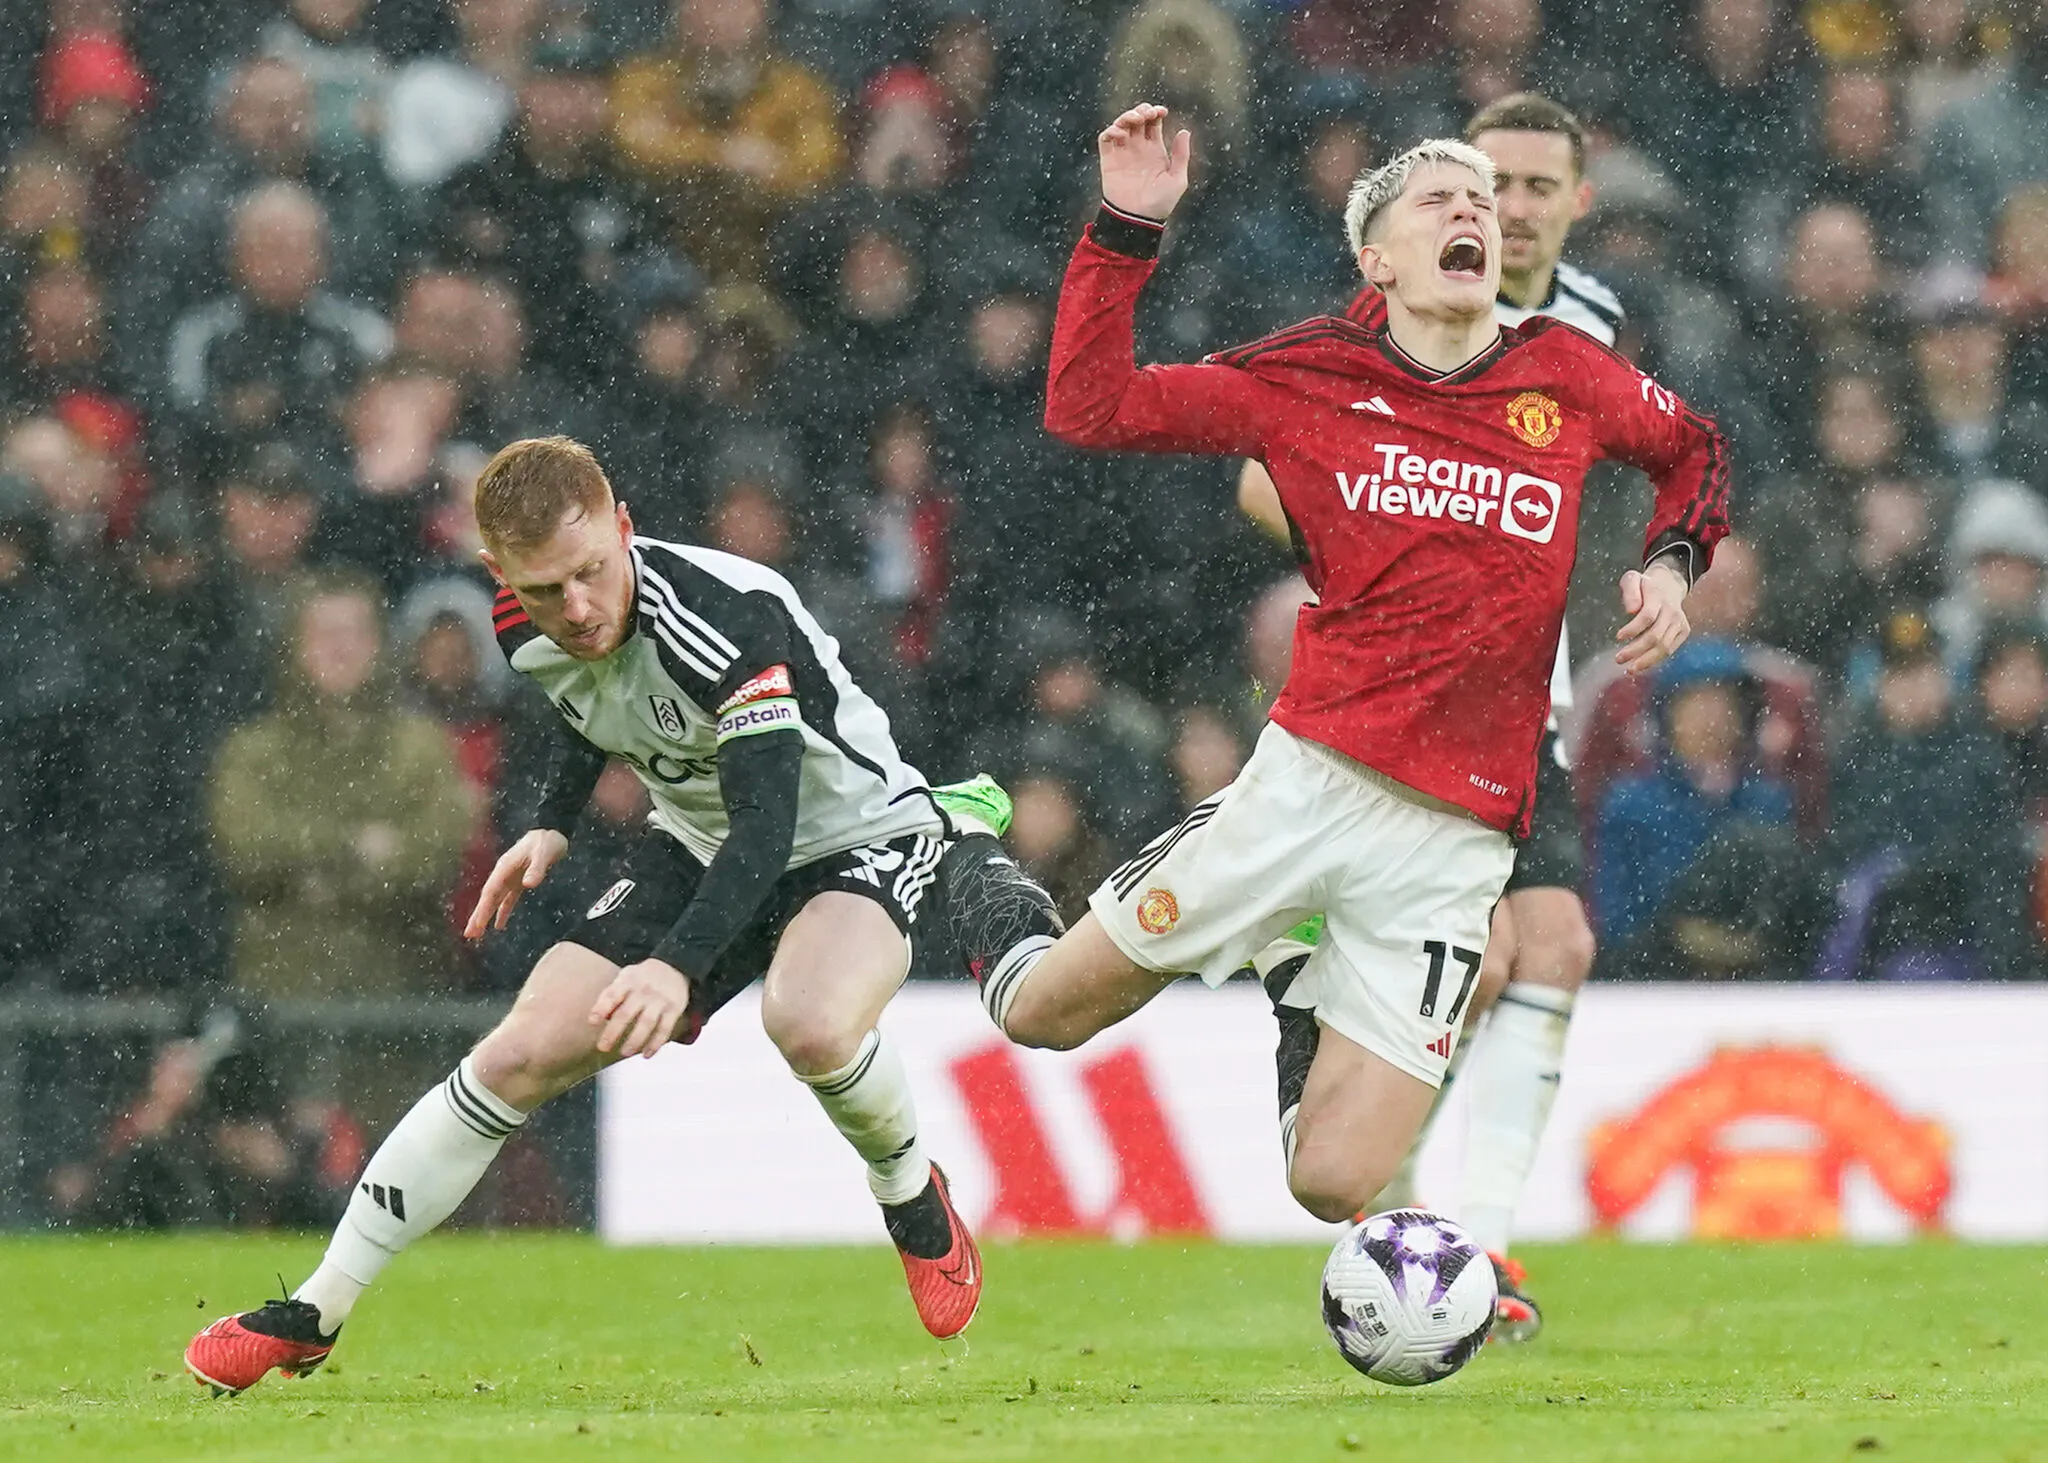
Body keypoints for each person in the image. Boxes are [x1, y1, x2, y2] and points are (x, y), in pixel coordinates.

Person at [938, 105, 1723, 1314]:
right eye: (1438, 201)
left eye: (1483, 198)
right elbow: (1088, 406)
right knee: (1040, 1014)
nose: (1474, 211)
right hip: (1308, 784)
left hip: (1461, 838)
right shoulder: (1309, 372)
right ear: (1378, 262)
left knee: (1334, 1179)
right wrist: (1123, 232)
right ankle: (974, 868)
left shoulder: (1562, 376)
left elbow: (1695, 450)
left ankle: (1295, 975)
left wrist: (1670, 563)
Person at [186, 436, 1026, 1395]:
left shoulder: (725, 619)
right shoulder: (522, 619)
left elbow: (767, 823)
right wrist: (554, 818)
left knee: (810, 1019)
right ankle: (316, 1311)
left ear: (624, 529)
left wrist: (675, 964)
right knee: (515, 1054)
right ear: (501, 575)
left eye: (592, 572)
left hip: (850, 832)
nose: (577, 607)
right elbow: (591, 700)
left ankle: (911, 1193)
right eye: (547, 588)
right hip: (701, 832)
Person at [1231, 92, 1622, 1337]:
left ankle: (1472, 1243)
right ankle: (1383, 1203)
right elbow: (1256, 474)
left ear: (1574, 201)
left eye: (1532, 187)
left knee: (1550, 942)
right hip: (1394, 700)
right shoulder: (1387, 308)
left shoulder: (1591, 323)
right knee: (1499, 953)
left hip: (1519, 699)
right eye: (1484, 182)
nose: (1505, 209)